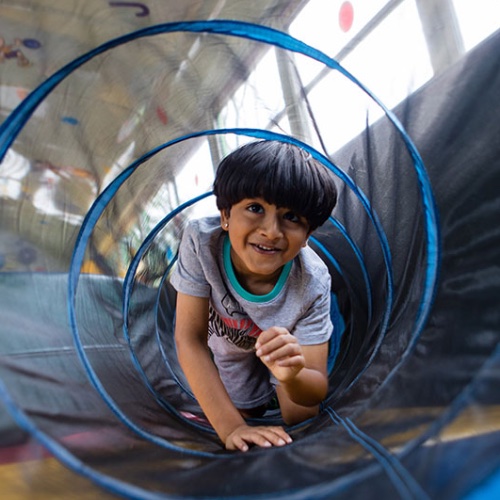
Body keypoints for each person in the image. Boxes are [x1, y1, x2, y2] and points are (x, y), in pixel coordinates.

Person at [171, 140, 338, 452]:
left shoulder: (312, 281)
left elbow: (313, 393)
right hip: (229, 346)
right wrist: (232, 427)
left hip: (284, 350)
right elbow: (189, 339)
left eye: (291, 217)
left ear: (307, 237)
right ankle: (253, 401)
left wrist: (292, 376)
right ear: (225, 215)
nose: (271, 231)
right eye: (255, 208)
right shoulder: (200, 242)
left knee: (299, 417)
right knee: (244, 410)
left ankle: (275, 383)